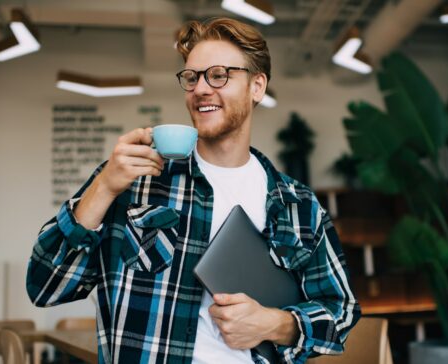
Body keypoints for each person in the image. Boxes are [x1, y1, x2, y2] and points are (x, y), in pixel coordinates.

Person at [26, 17, 360, 364]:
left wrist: (274, 323)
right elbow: (45, 285)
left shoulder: (299, 205)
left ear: (257, 86)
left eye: (218, 75)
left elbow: (342, 313)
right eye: (191, 77)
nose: (200, 89)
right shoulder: (133, 179)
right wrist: (104, 186)